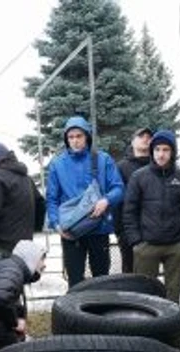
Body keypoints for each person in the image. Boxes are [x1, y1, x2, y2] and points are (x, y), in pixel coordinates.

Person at [46, 116, 124, 288]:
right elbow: (51, 198)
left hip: (99, 228)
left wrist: (106, 200)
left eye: (79, 136)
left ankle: (101, 313)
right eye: (71, 137)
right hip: (71, 232)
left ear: (87, 136)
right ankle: (75, 314)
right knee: (75, 281)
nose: (75, 141)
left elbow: (119, 188)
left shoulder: (103, 159)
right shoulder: (57, 164)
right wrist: (56, 224)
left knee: (102, 279)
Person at [122, 130, 180, 304]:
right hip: (147, 246)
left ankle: (171, 328)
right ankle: (147, 329)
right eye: (157, 149)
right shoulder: (139, 177)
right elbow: (129, 211)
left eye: (166, 149)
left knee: (173, 298)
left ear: (172, 152)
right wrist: (136, 241)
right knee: (145, 297)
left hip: (176, 246)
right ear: (152, 151)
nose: (161, 154)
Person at [0, 142, 35, 262]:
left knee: (0, 279)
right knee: (19, 279)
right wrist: (32, 231)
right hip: (24, 246)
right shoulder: (26, 178)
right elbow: (40, 203)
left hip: (0, 247)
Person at [115, 127, 152, 273]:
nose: (145, 138)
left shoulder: (158, 166)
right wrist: (119, 230)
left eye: (149, 136)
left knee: (149, 274)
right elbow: (117, 199)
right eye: (141, 135)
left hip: (153, 229)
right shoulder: (121, 167)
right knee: (129, 271)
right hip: (128, 230)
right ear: (132, 141)